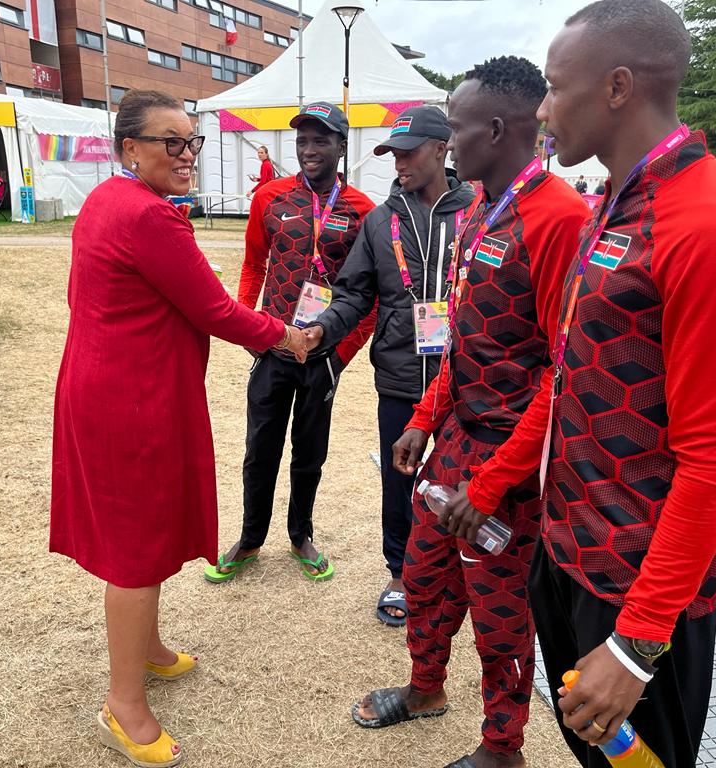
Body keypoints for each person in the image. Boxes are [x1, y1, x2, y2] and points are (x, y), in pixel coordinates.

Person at [450, 3, 716, 766]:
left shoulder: (711, 224)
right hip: (567, 554)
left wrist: (635, 644)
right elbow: (567, 376)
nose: (540, 110)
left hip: (639, 587)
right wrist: (497, 484)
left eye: (555, 89)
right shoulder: (617, 203)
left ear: (619, 87)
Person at [50, 90, 308, 768]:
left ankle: (150, 647)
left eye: (191, 141)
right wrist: (287, 336)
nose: (186, 154)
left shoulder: (109, 199)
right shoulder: (147, 217)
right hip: (129, 397)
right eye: (171, 142)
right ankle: (122, 701)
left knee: (153, 525)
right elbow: (216, 310)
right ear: (129, 148)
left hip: (120, 385)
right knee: (136, 549)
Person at [350, 57, 590, 768]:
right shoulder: (481, 207)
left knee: (500, 617)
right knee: (422, 579)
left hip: (513, 469)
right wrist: (424, 418)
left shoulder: (560, 219)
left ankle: (502, 747)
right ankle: (426, 689)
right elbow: (464, 337)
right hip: (454, 440)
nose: (447, 141)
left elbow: (562, 371)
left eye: (454, 127)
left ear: (494, 126)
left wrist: (489, 486)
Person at [302, 105, 475, 626]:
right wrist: (322, 329)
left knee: (467, 481)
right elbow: (354, 294)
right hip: (400, 378)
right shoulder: (382, 221)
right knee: (400, 479)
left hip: (469, 380)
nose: (398, 162)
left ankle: (464, 572)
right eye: (392, 154)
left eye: (409, 152)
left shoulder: (480, 212)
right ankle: (400, 573)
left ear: (442, 149)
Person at [205, 102, 376, 584]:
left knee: (309, 451)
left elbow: (371, 297)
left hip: (323, 355)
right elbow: (253, 265)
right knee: (260, 449)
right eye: (302, 141)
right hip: (273, 346)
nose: (308, 149)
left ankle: (300, 535)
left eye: (320, 140)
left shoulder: (363, 210)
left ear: (342, 146)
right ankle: (250, 537)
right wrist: (246, 327)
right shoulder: (271, 198)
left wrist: (342, 353)